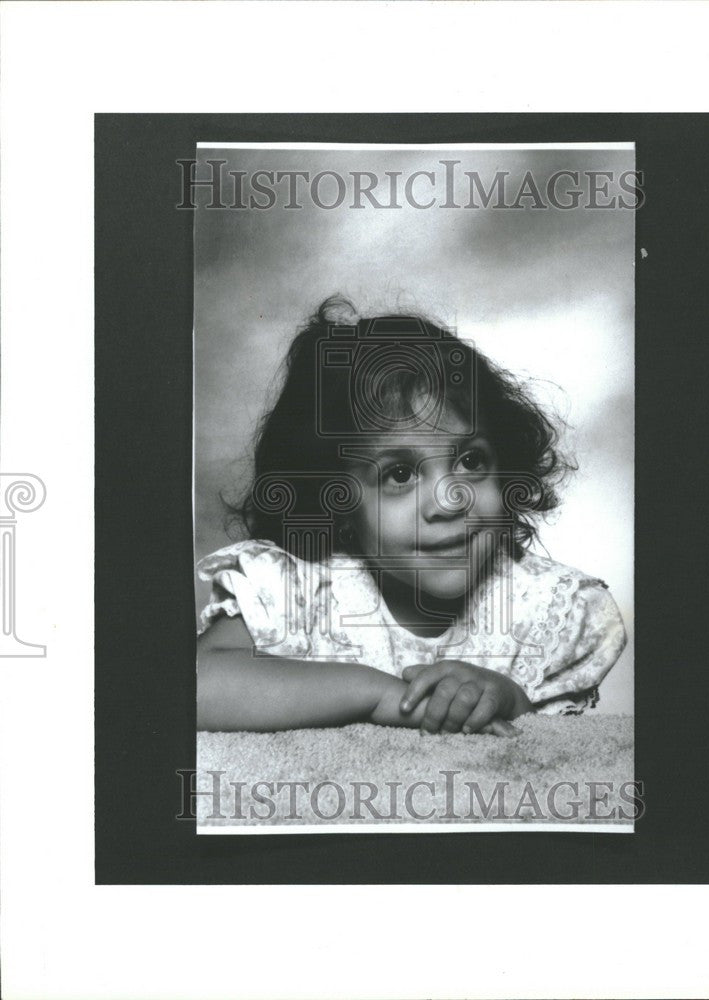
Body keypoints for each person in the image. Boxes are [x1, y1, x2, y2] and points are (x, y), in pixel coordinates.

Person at [196, 297, 627, 736]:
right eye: (399, 474)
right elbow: (197, 687)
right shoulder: (300, 588)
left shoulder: (550, 608)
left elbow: (561, 750)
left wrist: (509, 698)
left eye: (471, 462)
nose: (450, 501)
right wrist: (380, 695)